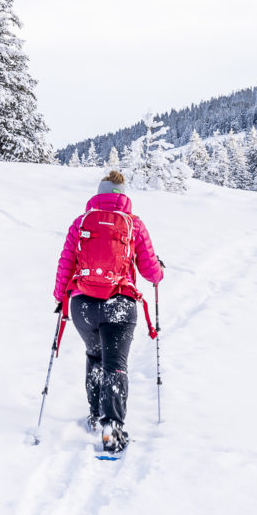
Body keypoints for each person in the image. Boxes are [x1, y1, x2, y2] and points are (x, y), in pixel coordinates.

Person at [54, 170, 164, 452]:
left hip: (83, 306)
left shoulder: (80, 223)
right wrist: (158, 271)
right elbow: (151, 272)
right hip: (120, 304)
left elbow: (66, 265)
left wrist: (60, 298)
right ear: (123, 196)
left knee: (94, 355)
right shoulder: (134, 224)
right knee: (115, 362)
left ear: (99, 193)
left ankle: (95, 414)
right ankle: (111, 429)